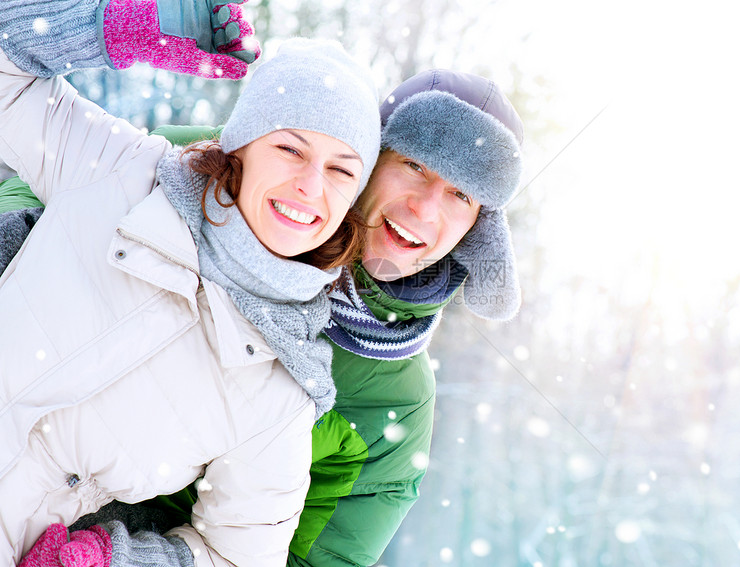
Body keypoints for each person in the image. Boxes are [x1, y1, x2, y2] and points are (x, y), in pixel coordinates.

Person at [0, 69, 525, 566]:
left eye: (462, 195)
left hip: (74, 527)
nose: (427, 209)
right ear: (369, 156)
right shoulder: (224, 174)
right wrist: (19, 240)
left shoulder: (392, 403)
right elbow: (71, 175)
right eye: (415, 165)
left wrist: (126, 553)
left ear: (479, 231)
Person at [0, 0, 381, 565]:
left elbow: (238, 556)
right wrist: (118, 24)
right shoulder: (124, 173)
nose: (310, 184)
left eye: (342, 169)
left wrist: (119, 561)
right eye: (288, 148)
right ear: (241, 147)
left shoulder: (279, 391)